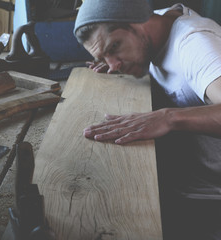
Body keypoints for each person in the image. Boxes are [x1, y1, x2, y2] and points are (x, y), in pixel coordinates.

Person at [73, 1, 221, 240]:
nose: (113, 64)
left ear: (140, 23)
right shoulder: (157, 22)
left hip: (210, 201)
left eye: (115, 47)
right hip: (186, 185)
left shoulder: (196, 45)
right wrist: (116, 59)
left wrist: (170, 117)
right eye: (105, 56)